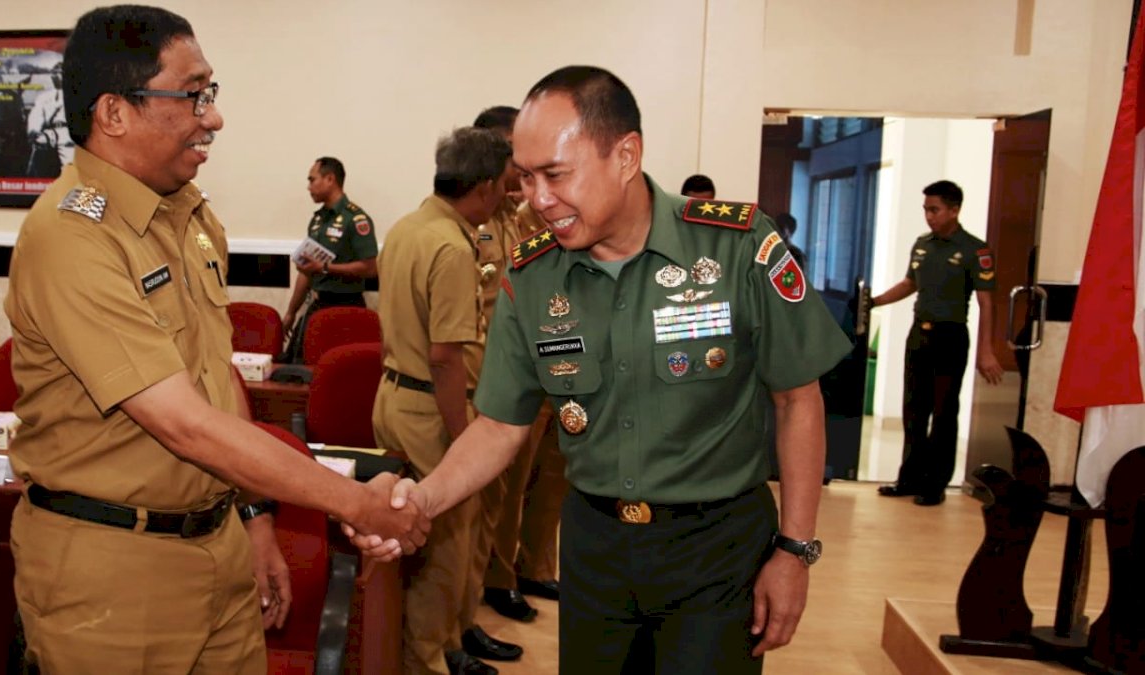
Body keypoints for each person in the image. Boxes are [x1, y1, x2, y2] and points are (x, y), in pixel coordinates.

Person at [360, 65, 851, 674]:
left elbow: (798, 401)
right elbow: (499, 426)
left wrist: (795, 551)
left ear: (625, 155)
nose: (537, 200)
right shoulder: (532, 276)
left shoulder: (736, 248)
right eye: (526, 179)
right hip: (596, 549)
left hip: (716, 549)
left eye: (556, 175)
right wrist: (422, 499)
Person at [2, 6, 427, 673]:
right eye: (193, 94)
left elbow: (214, 374)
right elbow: (185, 423)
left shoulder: (189, 216)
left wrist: (257, 519)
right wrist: (357, 501)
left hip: (220, 547)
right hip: (114, 572)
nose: (214, 116)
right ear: (114, 112)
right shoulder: (72, 234)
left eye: (212, 92)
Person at [371, 126, 513, 675]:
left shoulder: (408, 227)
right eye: (503, 185)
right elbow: (445, 357)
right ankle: (426, 662)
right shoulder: (454, 247)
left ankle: (428, 648)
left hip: (395, 396)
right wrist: (464, 440)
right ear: (481, 187)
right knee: (443, 551)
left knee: (416, 543)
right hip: (434, 407)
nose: (506, 197)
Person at [472, 106, 566, 625]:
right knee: (506, 488)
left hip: (551, 361)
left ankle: (536, 564)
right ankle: (500, 577)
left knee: (551, 475)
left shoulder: (525, 213)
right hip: (507, 373)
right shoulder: (477, 222)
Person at [872, 180, 1001, 506]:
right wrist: (874, 302)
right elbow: (909, 283)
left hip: (950, 337)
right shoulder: (922, 244)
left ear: (954, 210)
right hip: (919, 335)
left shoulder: (975, 249)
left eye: (935, 209)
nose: (929, 216)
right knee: (914, 410)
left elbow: (987, 302)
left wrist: (986, 350)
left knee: (944, 413)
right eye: (926, 210)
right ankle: (909, 478)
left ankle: (935, 484)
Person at [280, 156, 378, 363]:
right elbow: (306, 273)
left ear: (330, 179)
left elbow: (370, 268)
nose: (308, 187)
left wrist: (325, 267)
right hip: (318, 303)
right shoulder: (317, 220)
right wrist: (290, 313)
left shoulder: (356, 219)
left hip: (347, 306)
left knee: (344, 370)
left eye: (312, 180)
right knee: (295, 366)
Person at [25, 61, 75, 176]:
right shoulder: (44, 97)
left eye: (61, 74)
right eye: (54, 74)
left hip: (68, 134)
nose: (56, 77)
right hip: (49, 135)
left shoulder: (77, 95)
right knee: (37, 169)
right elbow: (36, 115)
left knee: (71, 171)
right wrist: (34, 132)